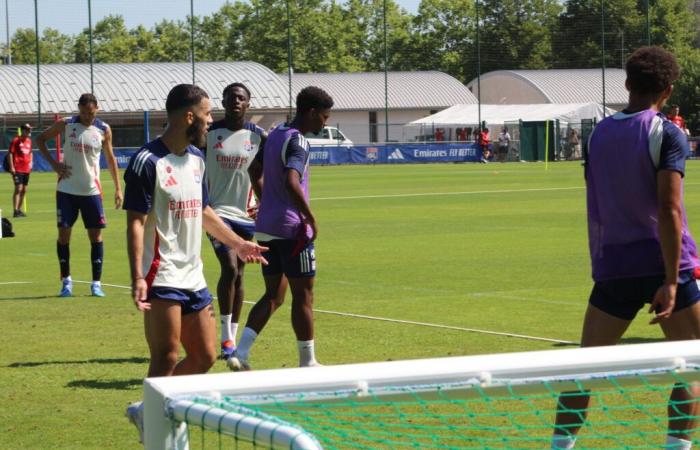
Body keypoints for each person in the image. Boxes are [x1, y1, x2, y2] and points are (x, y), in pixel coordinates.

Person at [551, 47, 700, 450]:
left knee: (584, 370)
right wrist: (671, 280)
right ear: (668, 90)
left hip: (615, 264)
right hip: (667, 264)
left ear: (627, 84)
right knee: (691, 369)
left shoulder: (598, 132)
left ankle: (559, 447)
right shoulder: (667, 132)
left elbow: (597, 192)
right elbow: (670, 209)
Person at [123, 84, 268, 442]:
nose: (209, 121)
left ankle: (148, 410)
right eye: (205, 115)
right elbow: (136, 222)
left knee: (204, 356)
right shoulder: (147, 161)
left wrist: (238, 243)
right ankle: (158, 430)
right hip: (162, 275)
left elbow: (203, 211)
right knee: (166, 356)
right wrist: (137, 276)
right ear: (189, 117)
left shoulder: (197, 159)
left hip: (194, 276)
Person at [228, 86, 334, 371]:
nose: (325, 123)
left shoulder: (275, 134)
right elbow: (291, 181)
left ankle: (241, 352)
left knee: (273, 294)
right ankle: (308, 362)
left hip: (266, 226)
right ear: (311, 112)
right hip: (292, 230)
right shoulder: (299, 141)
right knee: (304, 295)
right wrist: (309, 218)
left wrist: (267, 201)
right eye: (324, 117)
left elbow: (254, 169)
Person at [205, 82, 267, 365]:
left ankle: (232, 333)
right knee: (229, 267)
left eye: (241, 99)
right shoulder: (208, 133)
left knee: (240, 274)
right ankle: (226, 338)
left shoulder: (257, 136)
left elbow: (260, 174)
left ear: (248, 104)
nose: (235, 103)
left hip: (247, 216)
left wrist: (267, 204)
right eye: (231, 98)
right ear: (223, 102)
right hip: (217, 214)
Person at [37, 94, 122, 298]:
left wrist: (119, 188)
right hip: (66, 190)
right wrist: (54, 164)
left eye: (91, 113)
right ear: (78, 109)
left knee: (96, 237)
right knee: (64, 236)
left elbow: (110, 159)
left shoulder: (103, 129)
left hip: (91, 191)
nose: (87, 116)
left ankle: (96, 283)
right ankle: (66, 282)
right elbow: (39, 140)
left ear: (97, 110)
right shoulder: (66, 124)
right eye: (84, 112)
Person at [7, 124, 33, 217]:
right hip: (17, 168)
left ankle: (19, 210)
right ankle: (15, 210)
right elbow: (10, 153)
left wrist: (31, 163)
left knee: (24, 190)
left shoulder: (29, 141)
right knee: (18, 188)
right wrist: (12, 167)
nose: (29, 131)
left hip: (26, 169)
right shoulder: (16, 140)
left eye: (30, 130)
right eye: (27, 130)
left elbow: (30, 152)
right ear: (23, 130)